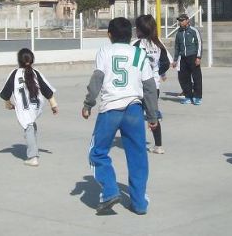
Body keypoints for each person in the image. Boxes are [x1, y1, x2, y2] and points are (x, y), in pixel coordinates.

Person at [82, 17, 159, 215]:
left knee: (97, 152)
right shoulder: (138, 54)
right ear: (130, 35)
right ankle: (139, 203)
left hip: (111, 109)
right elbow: (149, 86)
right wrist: (152, 116)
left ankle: (109, 190)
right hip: (134, 108)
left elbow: (97, 80)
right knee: (138, 156)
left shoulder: (105, 52)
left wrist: (88, 103)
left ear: (109, 35)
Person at [0, 48, 58, 167]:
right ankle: (34, 147)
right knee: (31, 125)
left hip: (24, 107)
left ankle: (33, 157)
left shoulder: (14, 74)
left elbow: (6, 92)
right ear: (32, 60)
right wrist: (53, 104)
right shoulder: (36, 72)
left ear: (19, 60)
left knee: (28, 127)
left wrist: (8, 103)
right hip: (36, 105)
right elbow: (47, 90)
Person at [133, 14, 171, 154]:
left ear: (140, 30)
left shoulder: (138, 45)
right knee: (152, 115)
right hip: (154, 86)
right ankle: (158, 145)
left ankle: (136, 143)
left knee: (136, 114)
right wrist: (157, 72)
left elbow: (135, 65)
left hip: (140, 85)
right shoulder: (158, 44)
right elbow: (166, 63)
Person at [171, 13, 203, 105]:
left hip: (193, 56)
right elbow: (177, 46)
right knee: (184, 78)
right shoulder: (179, 33)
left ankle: (197, 97)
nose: (180, 22)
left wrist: (198, 57)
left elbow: (199, 43)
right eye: (179, 21)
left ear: (187, 20)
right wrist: (175, 59)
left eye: (182, 20)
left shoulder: (194, 31)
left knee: (196, 77)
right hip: (183, 58)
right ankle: (188, 96)